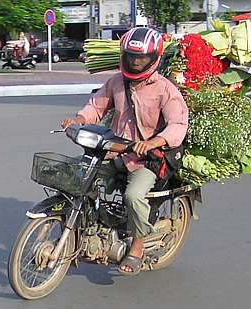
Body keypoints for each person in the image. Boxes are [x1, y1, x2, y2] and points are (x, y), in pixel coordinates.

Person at [60, 27, 188, 276]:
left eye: (141, 58)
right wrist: (78, 119)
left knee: (133, 195)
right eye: (131, 56)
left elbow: (178, 125)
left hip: (147, 160)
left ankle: (137, 246)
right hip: (115, 151)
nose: (135, 62)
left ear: (154, 58)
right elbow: (96, 106)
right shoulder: (116, 82)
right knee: (76, 177)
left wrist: (153, 142)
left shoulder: (165, 89)